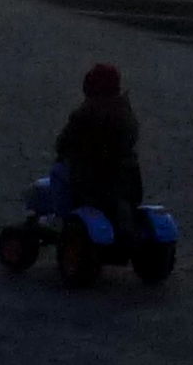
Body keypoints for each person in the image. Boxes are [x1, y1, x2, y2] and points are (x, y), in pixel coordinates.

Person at [55, 62, 153, 252]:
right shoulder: (127, 114)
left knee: (59, 172)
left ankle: (62, 220)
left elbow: (63, 144)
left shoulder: (84, 115)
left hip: (92, 183)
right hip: (126, 182)